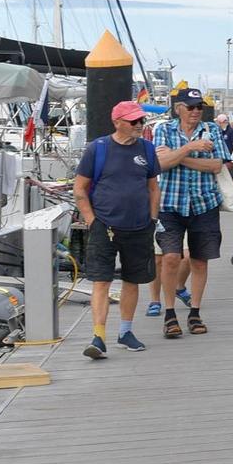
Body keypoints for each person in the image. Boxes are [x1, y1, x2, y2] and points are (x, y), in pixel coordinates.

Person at [72, 101, 160, 359]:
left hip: (140, 225)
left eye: (141, 121)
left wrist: (153, 217)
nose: (139, 125)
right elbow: (79, 188)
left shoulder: (147, 148)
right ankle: (98, 336)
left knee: (133, 280)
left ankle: (126, 331)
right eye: (134, 121)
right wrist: (92, 220)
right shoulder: (98, 149)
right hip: (105, 226)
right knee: (102, 281)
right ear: (118, 122)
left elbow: (153, 187)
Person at [151, 87, 232, 339]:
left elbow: (217, 165)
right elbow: (159, 164)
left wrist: (179, 156)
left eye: (200, 107)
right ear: (179, 109)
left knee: (199, 260)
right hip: (170, 204)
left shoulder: (212, 130)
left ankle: (195, 312)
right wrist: (191, 148)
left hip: (203, 203)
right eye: (191, 106)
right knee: (171, 257)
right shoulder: (163, 130)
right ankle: (169, 313)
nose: (196, 111)